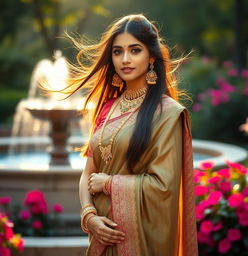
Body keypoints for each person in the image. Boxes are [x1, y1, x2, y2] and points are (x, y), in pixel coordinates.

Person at [67, 14, 198, 256]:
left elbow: (163, 186)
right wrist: (89, 216)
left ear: (151, 56)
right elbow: (88, 173)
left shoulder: (167, 114)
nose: (125, 59)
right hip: (102, 238)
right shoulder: (106, 108)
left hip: (142, 241)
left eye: (134, 50)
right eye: (118, 52)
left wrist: (108, 183)